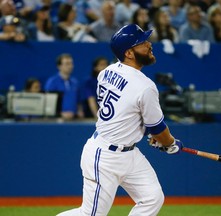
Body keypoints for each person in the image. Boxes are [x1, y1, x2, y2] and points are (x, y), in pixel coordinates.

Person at [56, 24, 183, 216]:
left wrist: (155, 135)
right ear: (129, 53)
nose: (149, 44)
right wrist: (170, 143)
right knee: (90, 214)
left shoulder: (106, 71)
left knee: (152, 198)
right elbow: (157, 128)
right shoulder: (145, 86)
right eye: (142, 42)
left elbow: (130, 113)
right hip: (105, 155)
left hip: (129, 153)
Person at [45, 53, 84, 121]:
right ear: (59, 66)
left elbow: (79, 101)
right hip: (57, 119)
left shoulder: (75, 82)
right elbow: (48, 102)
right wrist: (60, 113)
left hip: (74, 119)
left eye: (71, 63)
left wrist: (79, 111)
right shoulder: (52, 82)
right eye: (67, 64)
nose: (70, 66)